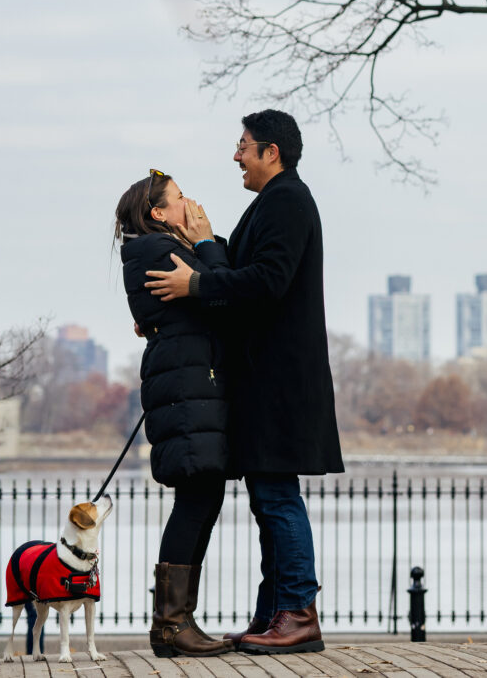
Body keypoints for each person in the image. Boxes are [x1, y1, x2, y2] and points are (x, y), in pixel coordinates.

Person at [144, 109, 344, 655]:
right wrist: (206, 246)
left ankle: (299, 613)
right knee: (269, 496)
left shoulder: (287, 201)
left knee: (277, 498)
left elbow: (265, 282)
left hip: (279, 380)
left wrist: (197, 282)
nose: (236, 154)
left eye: (244, 145)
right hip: (269, 379)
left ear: (270, 152)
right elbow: (243, 272)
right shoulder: (273, 203)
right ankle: (274, 615)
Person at [115, 170, 235, 658]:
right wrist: (206, 241)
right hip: (187, 389)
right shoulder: (155, 251)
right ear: (158, 213)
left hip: (188, 386)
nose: (192, 202)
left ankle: (179, 621)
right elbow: (224, 295)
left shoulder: (160, 248)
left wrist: (202, 246)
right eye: (180, 198)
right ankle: (170, 625)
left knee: (202, 499)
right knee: (195, 500)